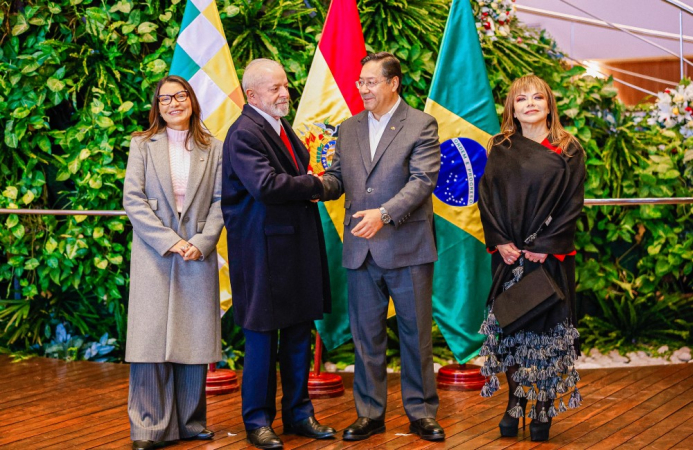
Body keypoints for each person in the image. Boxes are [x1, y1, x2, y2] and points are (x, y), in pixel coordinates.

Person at [320, 52, 444, 442]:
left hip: (407, 246)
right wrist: (313, 188)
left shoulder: (421, 124)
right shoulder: (348, 127)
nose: (363, 89)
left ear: (394, 83)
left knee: (415, 336)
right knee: (366, 338)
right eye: (360, 82)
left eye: (370, 82)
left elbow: (423, 181)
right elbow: (338, 177)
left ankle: (422, 413)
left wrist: (385, 214)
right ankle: (370, 414)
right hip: (361, 249)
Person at [221, 59, 336, 450]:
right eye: (275, 88)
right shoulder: (243, 134)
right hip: (262, 252)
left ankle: (299, 414)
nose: (285, 93)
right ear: (252, 95)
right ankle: (257, 421)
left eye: (285, 85)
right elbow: (266, 186)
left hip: (293, 248)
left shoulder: (279, 126)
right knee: (261, 339)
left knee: (298, 334)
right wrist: (318, 184)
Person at [477, 74, 586, 442]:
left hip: (550, 257)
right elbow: (486, 198)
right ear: (512, 108)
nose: (530, 104)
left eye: (538, 97)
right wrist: (500, 241)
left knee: (548, 333)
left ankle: (542, 406)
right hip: (508, 256)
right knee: (511, 328)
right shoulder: (499, 145)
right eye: (521, 99)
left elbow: (573, 205)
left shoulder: (569, 148)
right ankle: (515, 402)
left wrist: (547, 244)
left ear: (549, 104)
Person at [123, 75, 224, 450]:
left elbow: (221, 200)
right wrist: (171, 242)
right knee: (150, 341)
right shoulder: (142, 145)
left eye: (180, 96)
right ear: (157, 107)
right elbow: (133, 200)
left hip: (198, 252)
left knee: (193, 337)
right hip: (154, 252)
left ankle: (191, 421)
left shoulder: (214, 147)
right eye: (165, 99)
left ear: (192, 101)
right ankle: (148, 426)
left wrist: (201, 242)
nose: (173, 103)